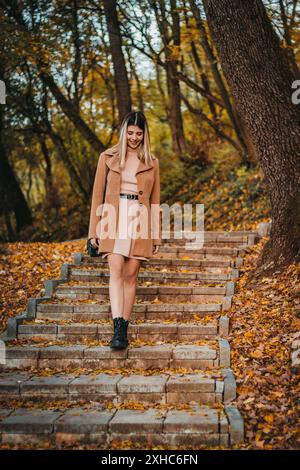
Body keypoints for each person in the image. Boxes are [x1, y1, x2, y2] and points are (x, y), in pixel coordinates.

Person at [87, 111, 162, 350]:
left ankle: (124, 329)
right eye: (130, 133)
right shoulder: (107, 157)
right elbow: (97, 195)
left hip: (139, 220)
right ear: (124, 132)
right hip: (113, 217)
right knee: (116, 268)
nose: (134, 138)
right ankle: (117, 327)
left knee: (131, 275)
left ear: (144, 135)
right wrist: (93, 231)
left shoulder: (152, 162)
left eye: (139, 134)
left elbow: (155, 201)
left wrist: (156, 234)